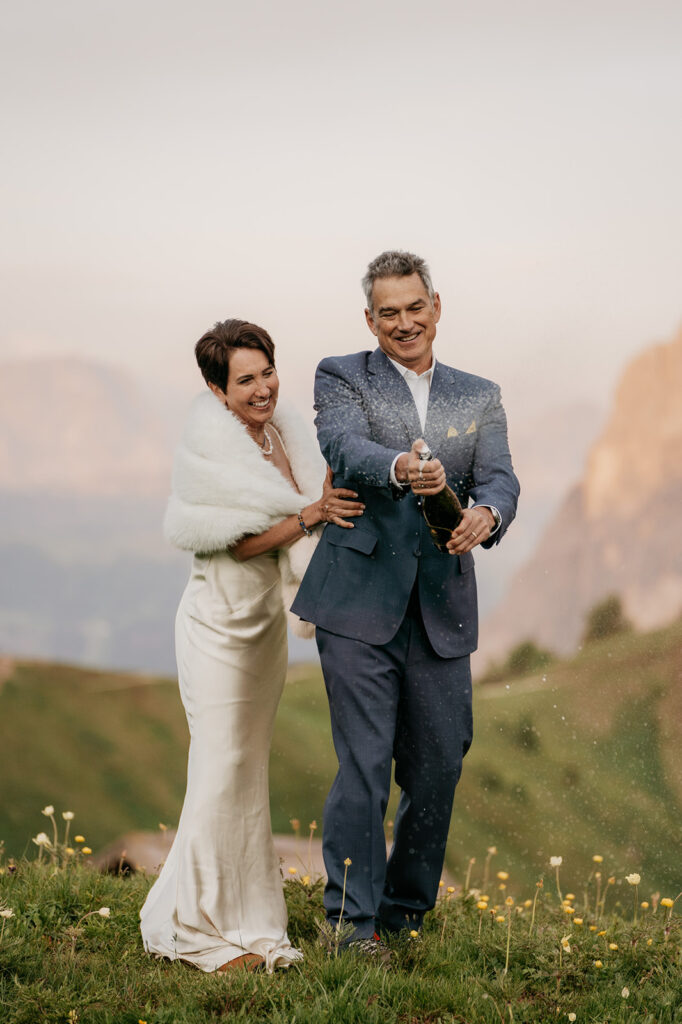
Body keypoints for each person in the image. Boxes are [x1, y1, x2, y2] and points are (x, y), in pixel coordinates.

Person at [292, 251, 520, 951]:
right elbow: (344, 444)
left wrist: (487, 514)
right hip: (357, 604)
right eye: (387, 312)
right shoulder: (341, 375)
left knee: (440, 765)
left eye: (413, 307)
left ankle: (403, 917)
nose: (403, 323)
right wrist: (397, 466)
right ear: (370, 319)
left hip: (443, 609)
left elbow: (502, 479)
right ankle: (350, 926)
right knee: (364, 761)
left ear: (436, 306)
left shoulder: (478, 393)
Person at [140, 318, 364, 973]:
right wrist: (308, 517)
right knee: (218, 767)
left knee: (245, 773)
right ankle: (196, 927)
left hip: (263, 625)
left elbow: (313, 499)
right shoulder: (208, 446)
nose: (263, 388)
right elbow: (236, 539)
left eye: (266, 371)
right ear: (217, 390)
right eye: (245, 380)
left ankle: (249, 919)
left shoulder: (284, 431)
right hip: (215, 626)